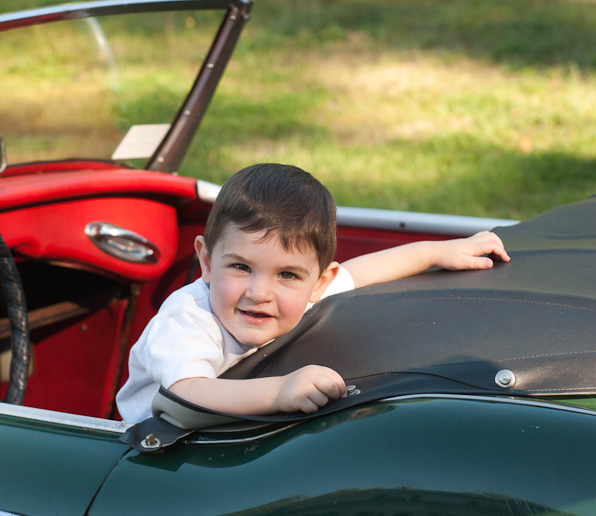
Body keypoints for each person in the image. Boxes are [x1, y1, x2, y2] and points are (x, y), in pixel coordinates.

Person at [115, 163, 511, 424]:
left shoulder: (303, 291)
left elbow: (362, 272)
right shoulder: (186, 320)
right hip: (140, 453)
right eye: (240, 267)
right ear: (205, 260)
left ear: (319, 282)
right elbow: (189, 395)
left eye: (286, 274)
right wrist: (280, 391)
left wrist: (435, 252)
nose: (260, 292)